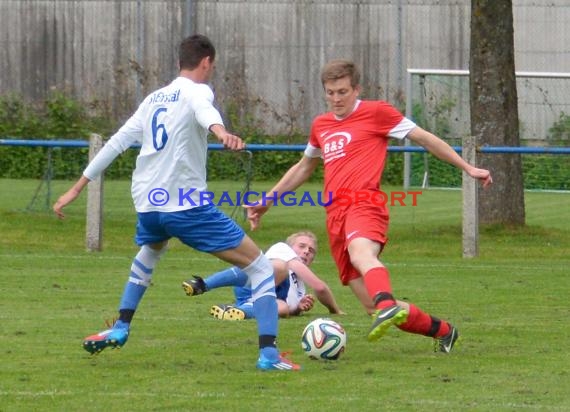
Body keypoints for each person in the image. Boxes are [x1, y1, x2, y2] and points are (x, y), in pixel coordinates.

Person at [52, 34, 300, 371]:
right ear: (206, 62)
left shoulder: (154, 98)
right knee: (259, 268)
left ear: (178, 61)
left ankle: (121, 326)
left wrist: (77, 187)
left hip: (148, 205)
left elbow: (117, 142)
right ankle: (269, 356)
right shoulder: (198, 91)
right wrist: (221, 132)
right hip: (185, 205)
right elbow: (204, 109)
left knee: (151, 252)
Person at [246, 59, 493, 353]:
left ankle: (386, 302)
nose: (336, 99)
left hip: (365, 202)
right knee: (369, 305)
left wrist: (468, 167)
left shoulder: (377, 112)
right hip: (335, 215)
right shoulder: (321, 125)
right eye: (330, 93)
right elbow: (304, 167)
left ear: (356, 89)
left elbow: (425, 138)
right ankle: (444, 331)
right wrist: (266, 202)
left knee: (361, 253)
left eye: (342, 92)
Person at [182, 231, 343, 319]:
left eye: (311, 251)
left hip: (258, 297)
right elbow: (320, 287)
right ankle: (203, 284)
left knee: (283, 309)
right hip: (251, 280)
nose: (306, 251)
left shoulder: (300, 285)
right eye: (302, 246)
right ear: (290, 246)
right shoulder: (283, 250)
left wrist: (298, 308)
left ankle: (238, 311)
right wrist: (335, 310)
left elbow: (286, 306)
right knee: (279, 268)